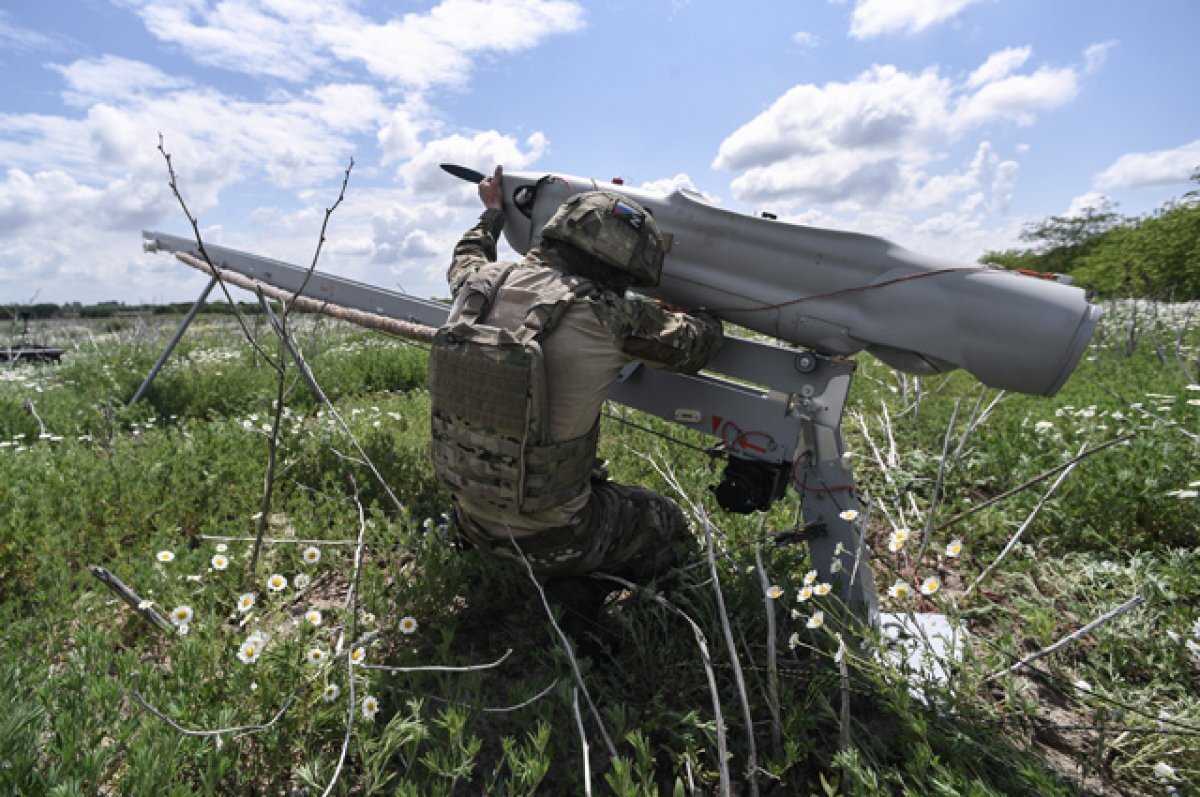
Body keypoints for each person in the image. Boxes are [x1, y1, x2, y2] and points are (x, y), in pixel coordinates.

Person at [429, 165, 723, 594]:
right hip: (557, 542)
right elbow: (701, 342)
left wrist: (493, 212)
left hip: (469, 519)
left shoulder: (478, 283)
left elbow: (467, 254)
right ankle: (585, 591)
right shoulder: (609, 313)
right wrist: (685, 307)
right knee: (663, 518)